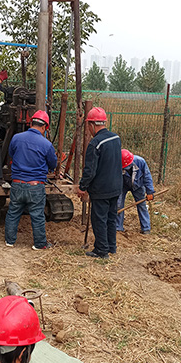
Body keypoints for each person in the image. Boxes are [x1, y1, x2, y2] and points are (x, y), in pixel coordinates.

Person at [4, 110, 57, 250]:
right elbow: (53, 164)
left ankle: (9, 241)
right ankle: (39, 244)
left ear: (30, 123)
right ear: (44, 127)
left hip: (17, 184)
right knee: (37, 215)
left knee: (13, 212)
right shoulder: (46, 144)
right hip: (35, 186)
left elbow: (11, 153)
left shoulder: (16, 138)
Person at [76, 107, 122, 259]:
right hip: (116, 187)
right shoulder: (116, 138)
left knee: (99, 220)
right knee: (111, 218)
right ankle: (111, 247)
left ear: (91, 124)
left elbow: (90, 170)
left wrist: (82, 187)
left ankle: (101, 250)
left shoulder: (95, 143)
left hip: (101, 189)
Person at [117, 149, 155, 234]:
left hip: (138, 186)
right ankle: (118, 227)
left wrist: (150, 192)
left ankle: (146, 228)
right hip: (122, 185)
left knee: (142, 205)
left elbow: (147, 177)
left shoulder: (141, 162)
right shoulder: (117, 164)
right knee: (118, 205)